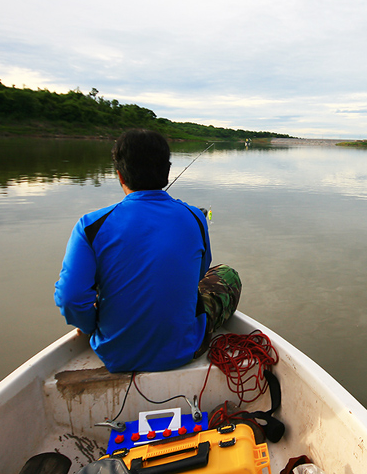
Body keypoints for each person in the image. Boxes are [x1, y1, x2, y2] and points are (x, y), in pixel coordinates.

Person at [54, 129, 241, 372]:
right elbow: (199, 274)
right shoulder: (195, 217)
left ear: (120, 175)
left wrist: (91, 325)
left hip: (114, 355)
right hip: (184, 350)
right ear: (167, 172)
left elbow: (71, 298)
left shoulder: (90, 226)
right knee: (227, 274)